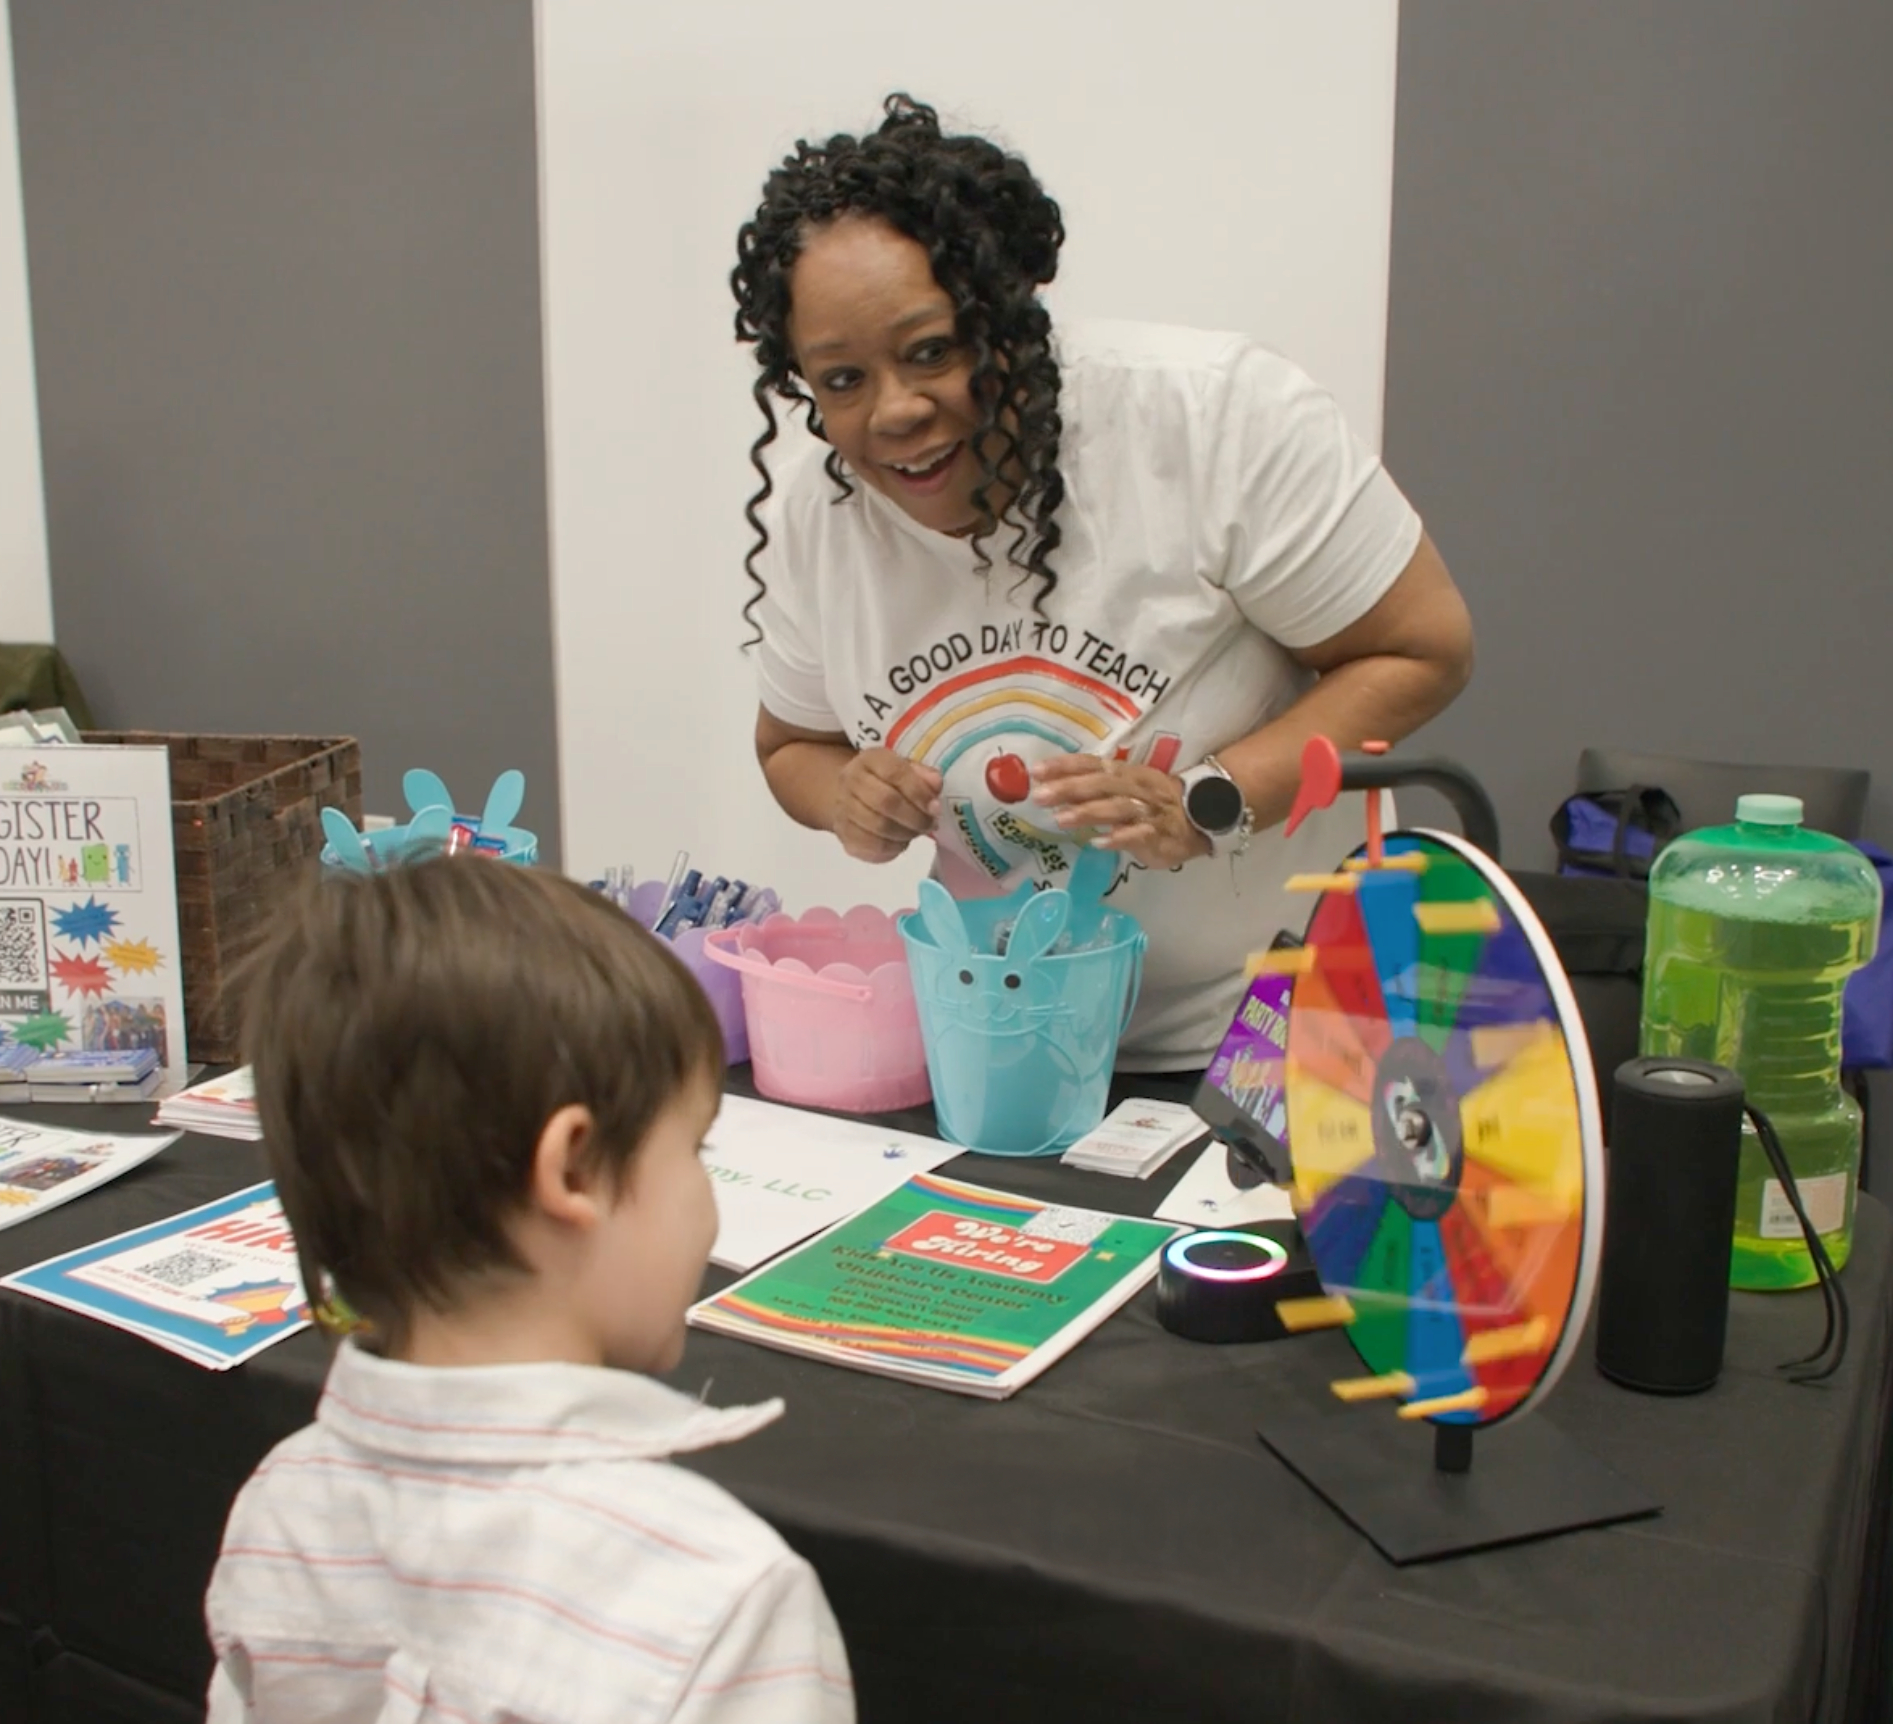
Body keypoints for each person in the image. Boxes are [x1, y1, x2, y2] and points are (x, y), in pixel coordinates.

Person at [733, 95, 1477, 1070]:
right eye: (841, 380)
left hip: (1279, 1036)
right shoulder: (816, 511)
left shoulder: (1211, 418)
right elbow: (793, 743)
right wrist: (847, 797)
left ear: (1010, 314)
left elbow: (1422, 649)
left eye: (933, 351)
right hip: (1003, 1043)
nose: (896, 411)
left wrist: (1208, 803)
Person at [202, 856, 853, 1724]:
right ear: (574, 1170)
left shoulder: (279, 1506)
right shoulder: (723, 1596)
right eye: (694, 1148)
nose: (706, 1198)